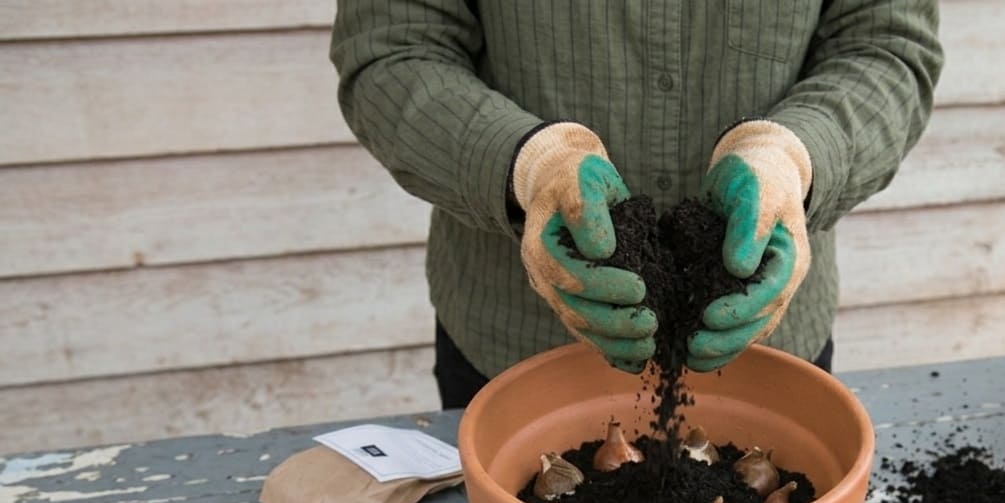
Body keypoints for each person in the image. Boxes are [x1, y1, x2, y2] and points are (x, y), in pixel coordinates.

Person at [331, 1, 943, 409]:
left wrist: (789, 155)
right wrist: (532, 163)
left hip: (767, 349)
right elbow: (393, 49)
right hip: (516, 347)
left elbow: (886, 47)